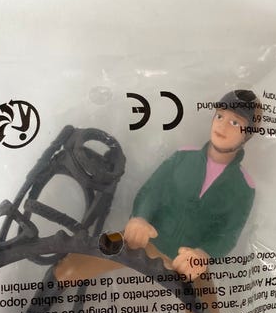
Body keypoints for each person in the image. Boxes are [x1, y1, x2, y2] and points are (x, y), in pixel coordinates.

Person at [55, 89, 260, 284]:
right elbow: (152, 190)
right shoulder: (183, 156)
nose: (222, 127)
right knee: (72, 267)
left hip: (186, 263)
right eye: (220, 116)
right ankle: (48, 290)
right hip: (145, 239)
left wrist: (203, 255)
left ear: (248, 133)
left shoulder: (244, 187)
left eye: (235, 122)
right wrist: (140, 218)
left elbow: (228, 234)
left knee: (206, 308)